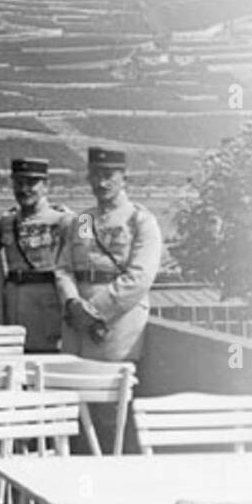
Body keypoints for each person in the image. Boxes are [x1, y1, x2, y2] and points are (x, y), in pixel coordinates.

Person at [54, 147, 161, 451]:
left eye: (108, 175)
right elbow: (65, 266)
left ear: (123, 177)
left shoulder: (140, 220)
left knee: (112, 416)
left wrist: (93, 310)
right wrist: (72, 303)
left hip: (115, 328)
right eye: (96, 175)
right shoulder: (84, 220)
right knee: (76, 416)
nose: (101, 183)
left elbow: (139, 277)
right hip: (77, 327)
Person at [0, 158, 72, 351]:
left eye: (32, 183)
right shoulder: (6, 223)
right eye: (19, 183)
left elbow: (88, 246)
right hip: (14, 304)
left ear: (46, 186)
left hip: (47, 307)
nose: (24, 189)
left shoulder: (63, 219)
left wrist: (79, 218)